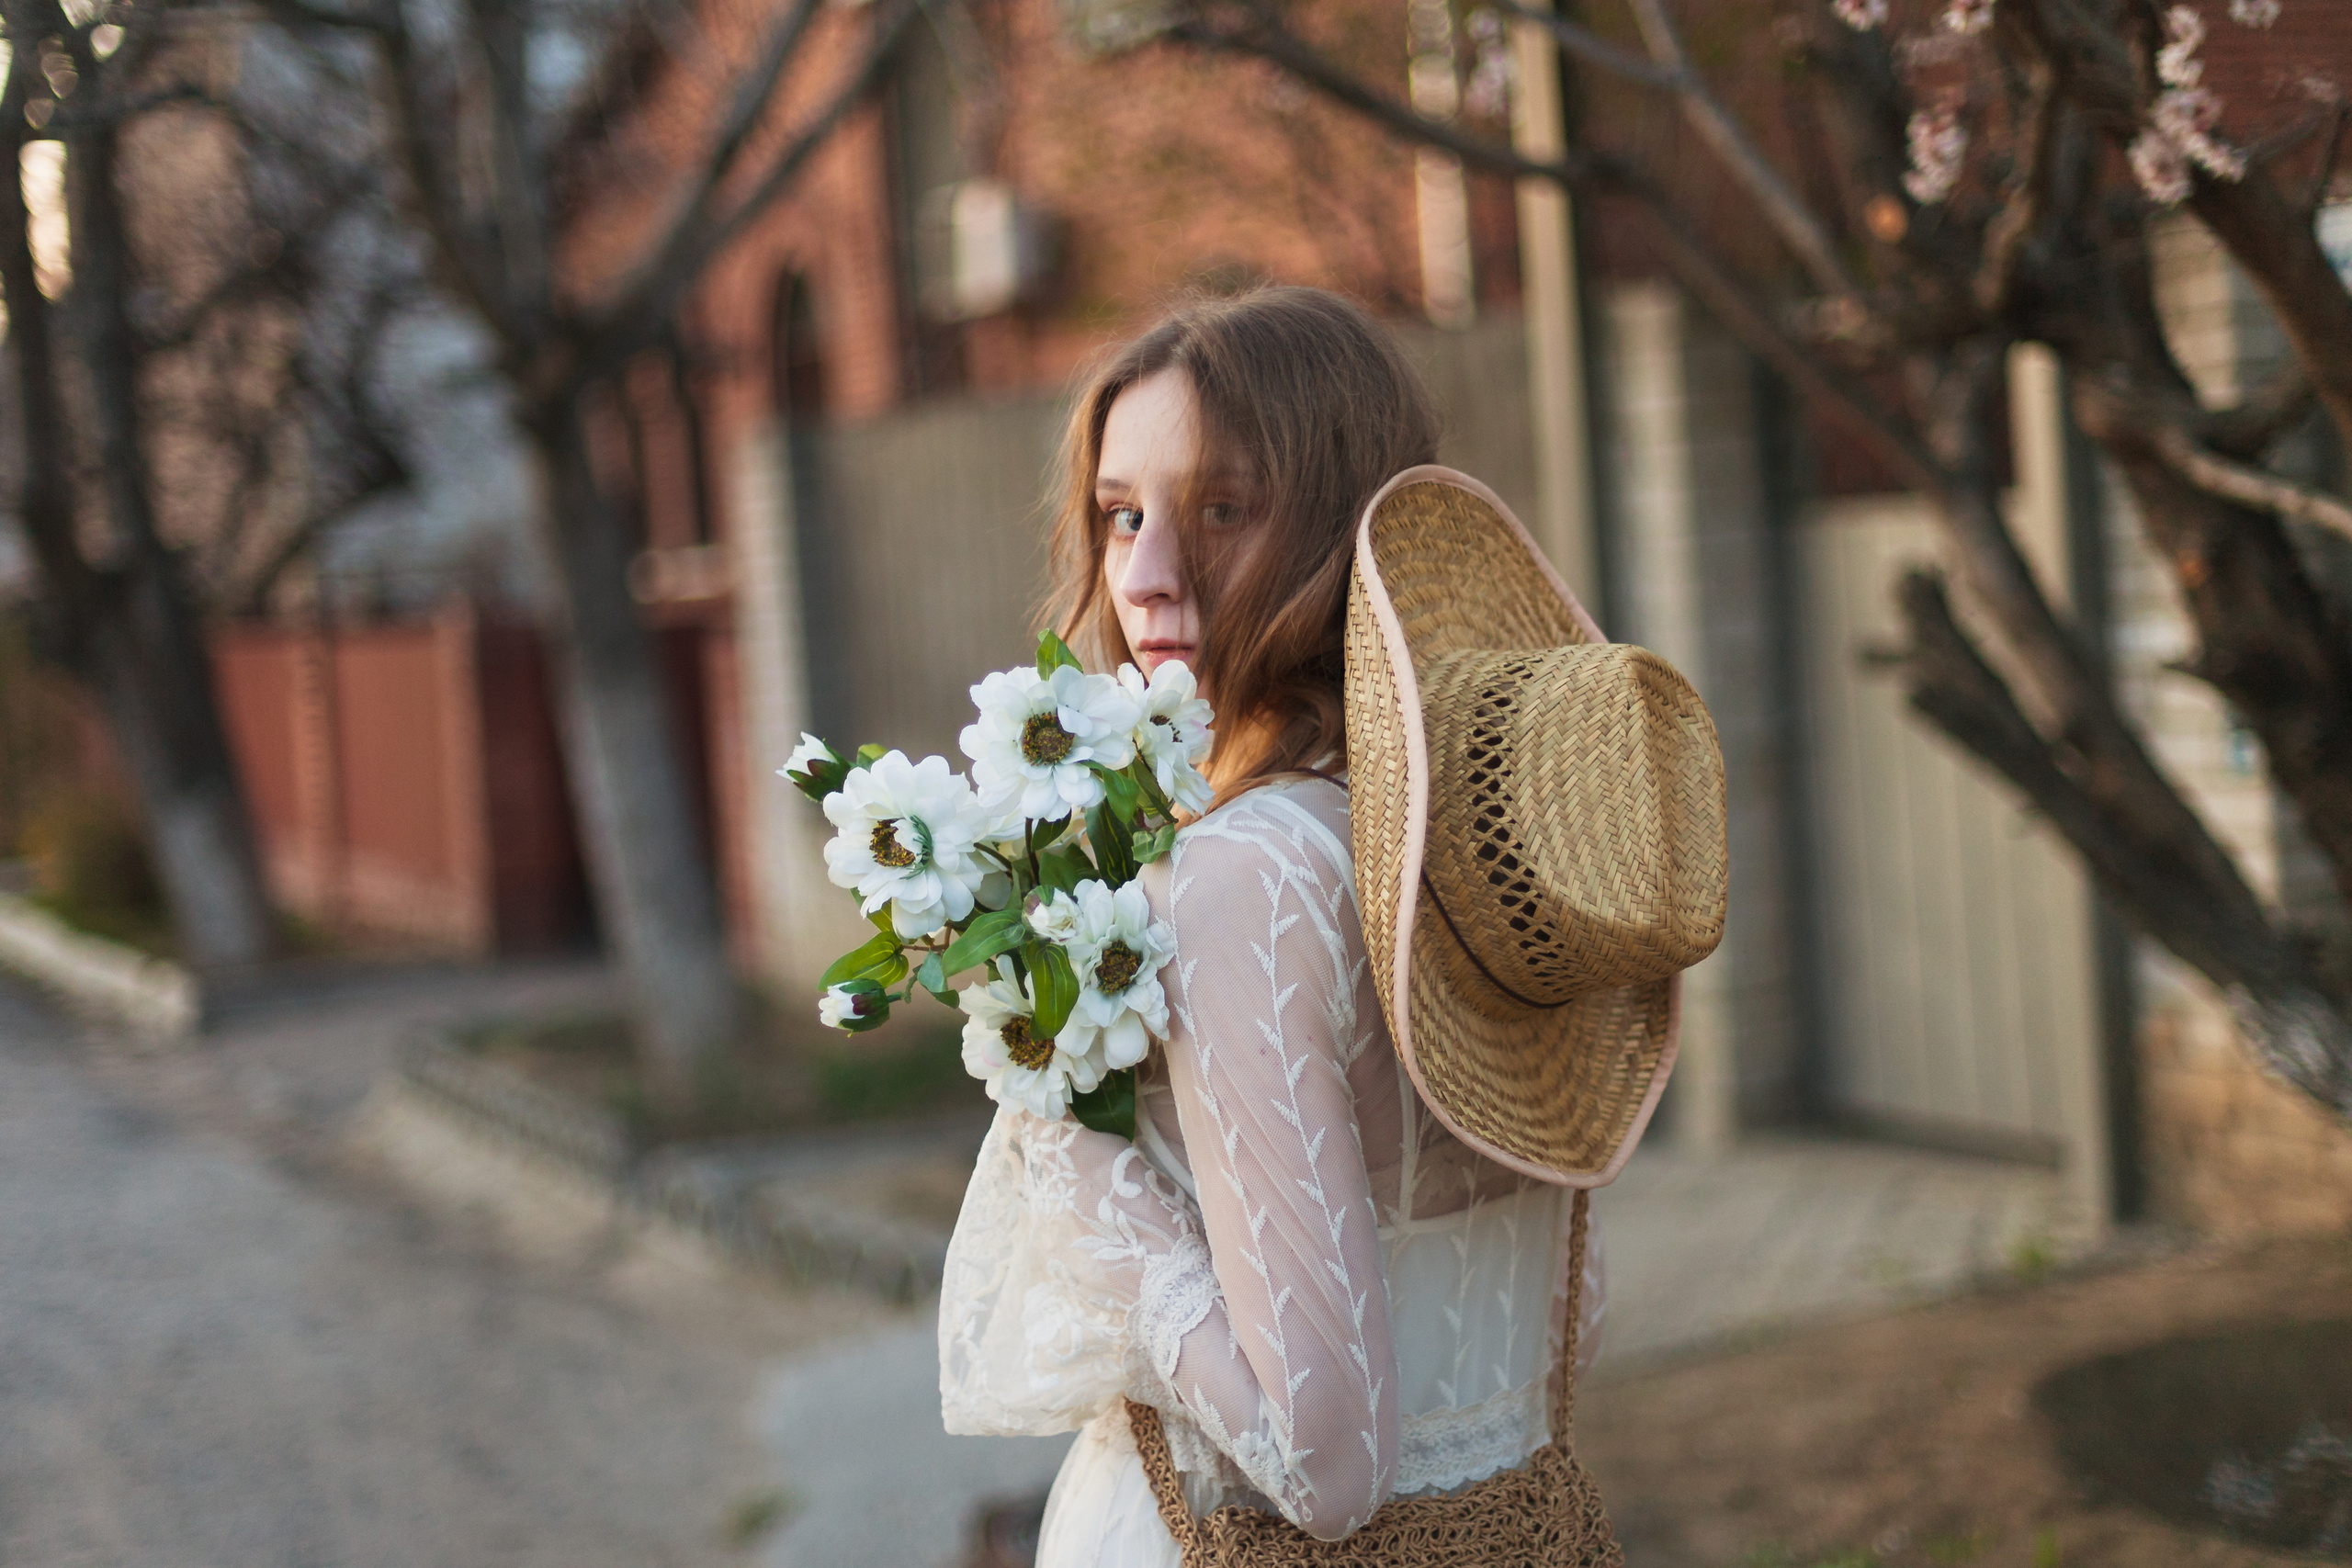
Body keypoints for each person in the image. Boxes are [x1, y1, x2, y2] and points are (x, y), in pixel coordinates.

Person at [938, 286, 1708, 1562]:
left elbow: (1322, 1464)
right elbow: (1570, 1314)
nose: (1146, 577)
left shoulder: (1243, 878)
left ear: (1338, 532)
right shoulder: (1476, 838)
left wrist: (1076, 1165)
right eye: (1122, 515)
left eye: (1221, 510)